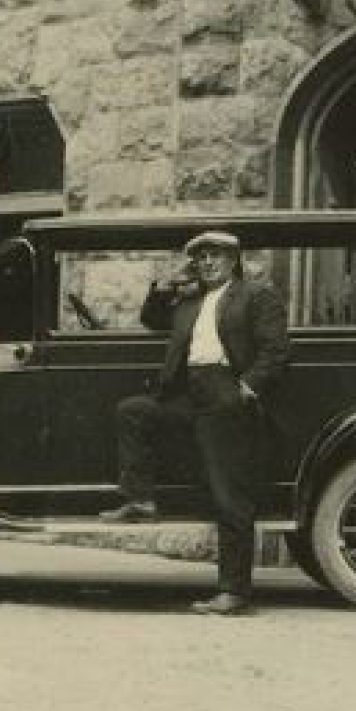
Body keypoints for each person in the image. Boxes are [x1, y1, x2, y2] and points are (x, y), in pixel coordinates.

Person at [99, 231, 290, 616]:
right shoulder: (189, 303)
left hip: (226, 394)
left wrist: (247, 388)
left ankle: (234, 592)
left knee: (228, 493)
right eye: (200, 257)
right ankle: (141, 498)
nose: (207, 263)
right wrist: (167, 281)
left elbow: (276, 351)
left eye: (215, 255)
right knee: (133, 411)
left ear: (233, 259)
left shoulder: (255, 296)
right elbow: (150, 317)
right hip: (188, 394)